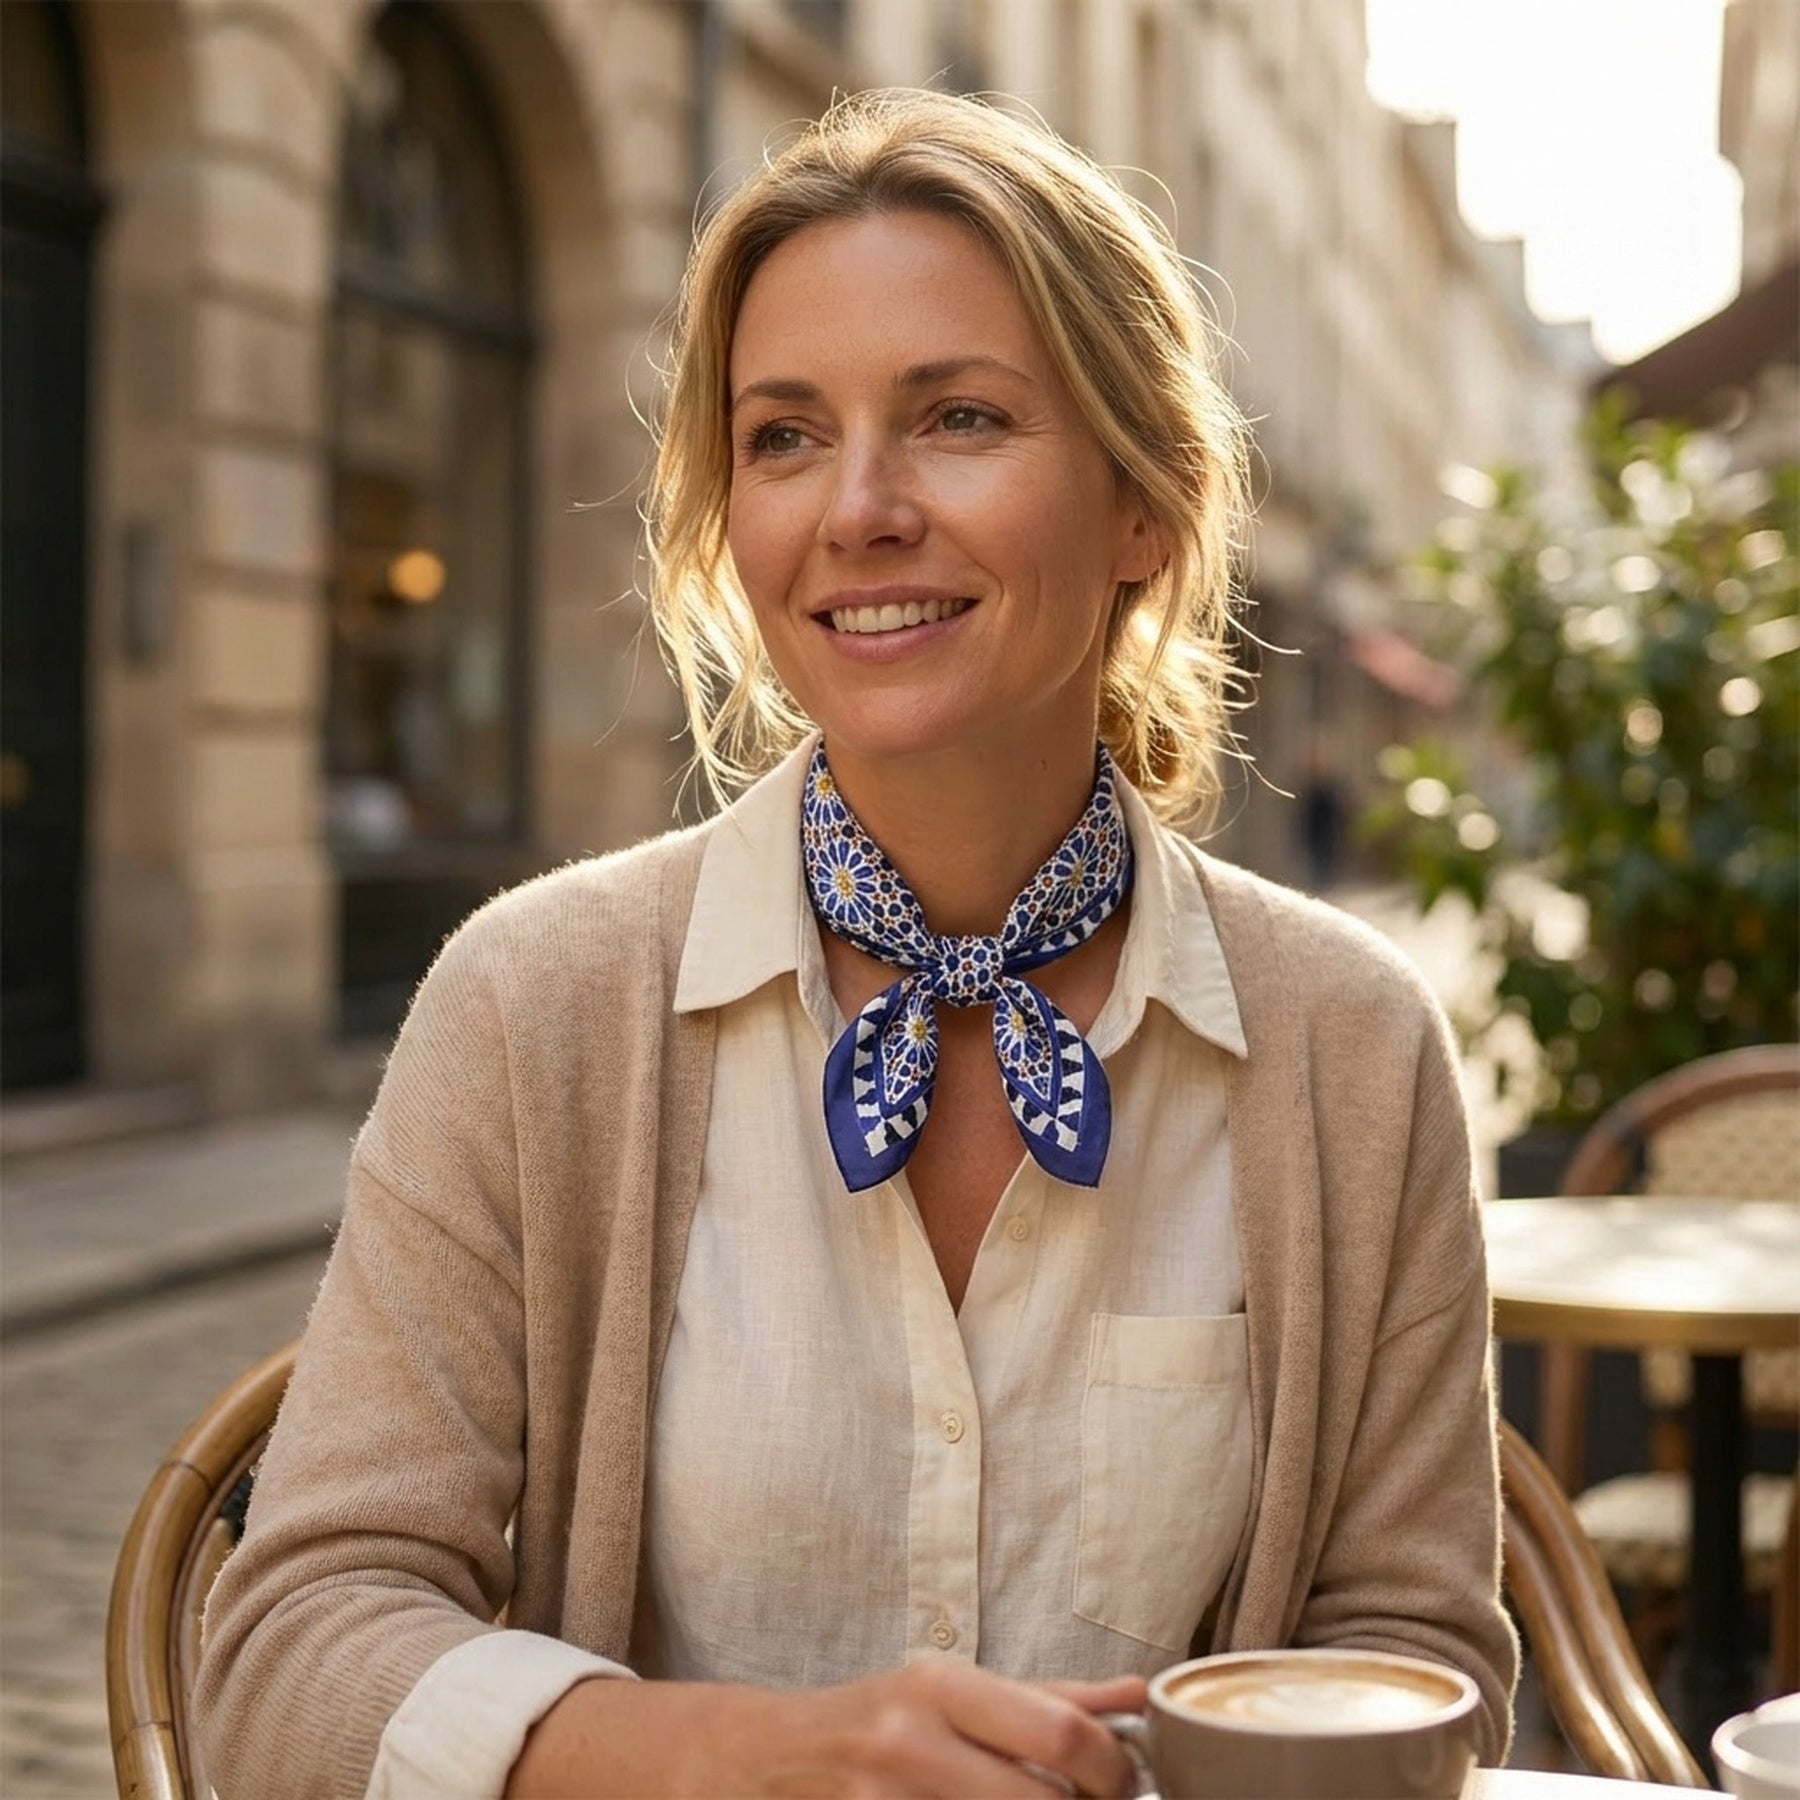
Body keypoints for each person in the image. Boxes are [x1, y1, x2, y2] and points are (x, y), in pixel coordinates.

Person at [196, 88, 1517, 1799]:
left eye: (960, 416)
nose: (861, 508)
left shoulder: (1351, 1043)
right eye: (785, 435)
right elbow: (292, 1641)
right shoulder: (540, 1002)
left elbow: (1422, 1660)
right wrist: (737, 1757)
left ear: (1149, 508)